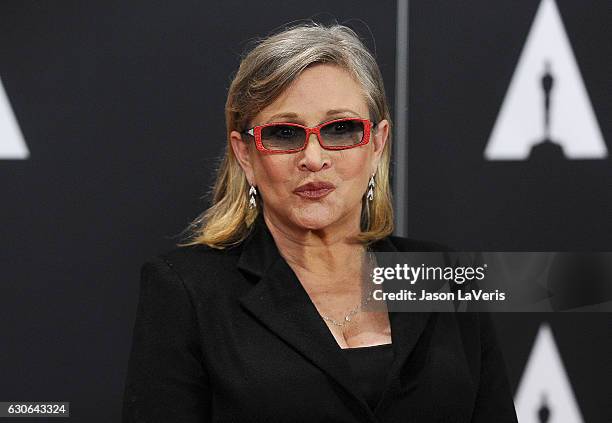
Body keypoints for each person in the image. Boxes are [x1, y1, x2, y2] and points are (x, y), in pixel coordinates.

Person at [121, 22, 518, 422]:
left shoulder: (445, 278)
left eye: (341, 129)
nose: (313, 157)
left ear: (378, 144)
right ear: (246, 156)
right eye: (284, 134)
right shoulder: (189, 291)